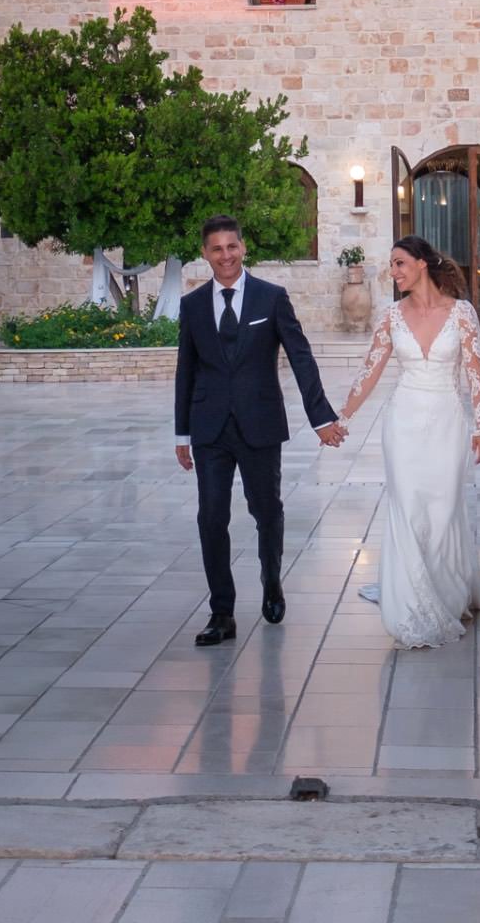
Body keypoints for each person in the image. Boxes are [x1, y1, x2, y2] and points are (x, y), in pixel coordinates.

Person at [339, 234, 480, 647]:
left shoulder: (462, 313)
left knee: (442, 512)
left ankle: (445, 593)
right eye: (391, 265)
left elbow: (476, 374)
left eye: (400, 263)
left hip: (446, 422)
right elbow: (370, 370)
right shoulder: (391, 316)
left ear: (422, 263)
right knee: (406, 510)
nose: (394, 272)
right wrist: (343, 418)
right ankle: (409, 609)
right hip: (402, 422)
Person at [175, 214, 345, 646]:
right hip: (210, 428)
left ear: (243, 248)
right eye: (216, 248)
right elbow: (186, 370)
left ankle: (272, 581)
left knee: (265, 511)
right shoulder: (193, 305)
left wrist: (321, 417)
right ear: (205, 254)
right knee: (210, 517)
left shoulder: (271, 298)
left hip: (260, 424)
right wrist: (182, 435)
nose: (225, 255)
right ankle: (222, 612)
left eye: (232, 246)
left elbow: (301, 357)